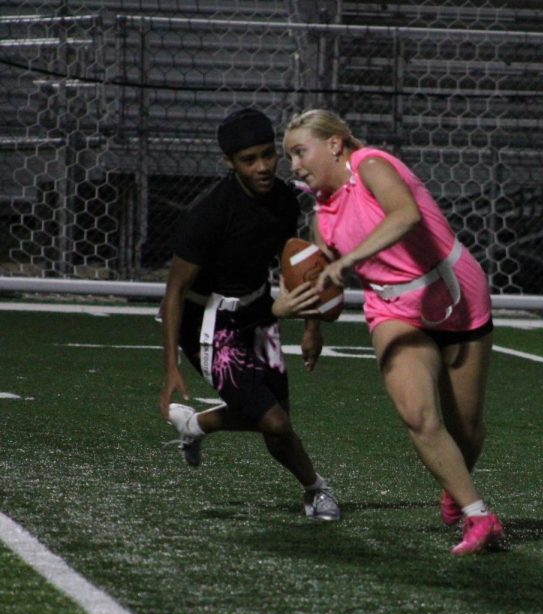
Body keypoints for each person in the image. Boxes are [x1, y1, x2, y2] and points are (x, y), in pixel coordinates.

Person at [276, 108, 502, 555]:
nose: (295, 166)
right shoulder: (322, 216)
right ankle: (480, 516)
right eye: (290, 158)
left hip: (454, 293)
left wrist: (346, 261)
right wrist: (312, 329)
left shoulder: (372, 165)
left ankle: (453, 487)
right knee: (418, 414)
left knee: (468, 430)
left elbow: (405, 216)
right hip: (392, 308)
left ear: (335, 144)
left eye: (300, 153)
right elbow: (319, 277)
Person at [159, 107, 341, 522]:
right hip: (210, 324)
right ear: (230, 163)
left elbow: (302, 264)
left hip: (259, 311)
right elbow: (174, 293)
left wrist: (313, 326)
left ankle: (197, 425)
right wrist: (171, 367)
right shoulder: (208, 214)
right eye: (248, 160)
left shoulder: (281, 199)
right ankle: (317, 490)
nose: (262, 167)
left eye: (267, 155)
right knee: (273, 423)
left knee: (278, 420)